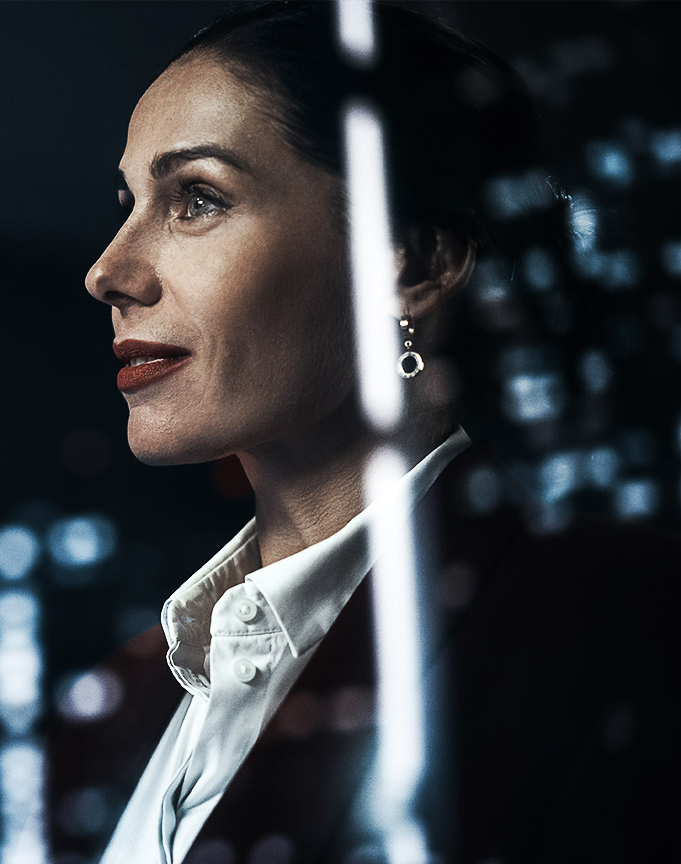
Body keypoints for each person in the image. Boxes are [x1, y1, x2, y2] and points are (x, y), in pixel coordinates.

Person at [45, 3, 680, 863]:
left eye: (196, 198)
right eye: (129, 203)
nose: (107, 272)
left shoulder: (608, 624)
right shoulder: (115, 710)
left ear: (411, 263)